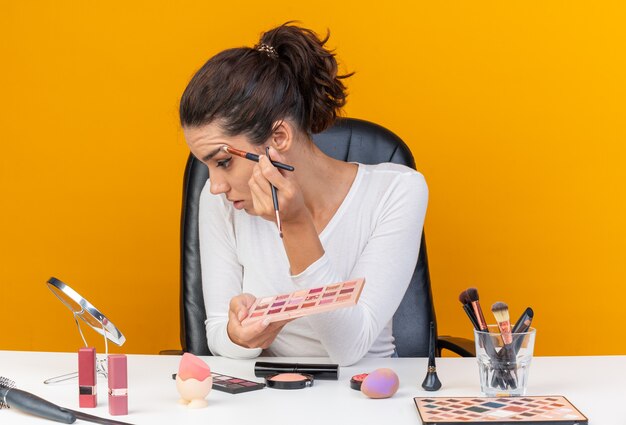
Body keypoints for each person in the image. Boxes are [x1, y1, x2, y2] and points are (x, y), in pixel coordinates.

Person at [179, 22, 428, 366]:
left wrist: (295, 225)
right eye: (206, 165)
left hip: (370, 394)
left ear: (279, 138)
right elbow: (219, 332)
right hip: (272, 397)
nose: (216, 185)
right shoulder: (218, 201)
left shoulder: (397, 191)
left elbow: (349, 348)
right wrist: (239, 335)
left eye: (223, 162)